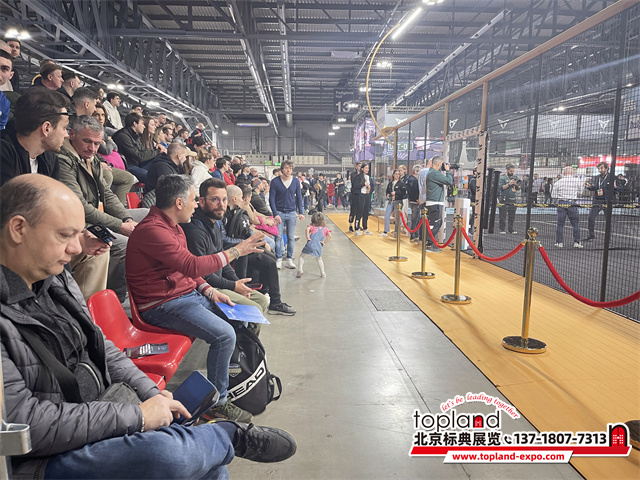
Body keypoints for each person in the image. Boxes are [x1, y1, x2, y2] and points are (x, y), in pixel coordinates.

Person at [0, 174, 297, 479]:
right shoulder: (153, 231)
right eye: (65, 235)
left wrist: (151, 394)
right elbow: (28, 424)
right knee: (170, 454)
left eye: (79, 234)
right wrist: (138, 416)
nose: (77, 248)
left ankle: (211, 435)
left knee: (212, 468)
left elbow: (101, 345)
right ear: (18, 229)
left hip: (102, 409)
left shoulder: (56, 279)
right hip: (49, 453)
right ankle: (225, 433)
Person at [126, 174, 267, 422]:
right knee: (225, 335)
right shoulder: (152, 231)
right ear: (179, 203)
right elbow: (192, 265)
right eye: (193, 200)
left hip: (185, 296)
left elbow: (187, 272)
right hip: (163, 305)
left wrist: (209, 291)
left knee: (242, 318)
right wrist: (236, 251)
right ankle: (217, 404)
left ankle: (228, 380)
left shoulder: (173, 228)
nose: (195, 205)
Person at [57, 115, 148, 301]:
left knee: (147, 216)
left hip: (97, 214)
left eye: (97, 143)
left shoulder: (91, 159)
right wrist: (120, 226)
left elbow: (107, 194)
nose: (92, 148)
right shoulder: (63, 159)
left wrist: (127, 219)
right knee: (123, 244)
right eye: (87, 141)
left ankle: (134, 290)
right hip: (80, 221)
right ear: (71, 134)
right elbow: (80, 207)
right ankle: (112, 300)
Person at [182, 178, 270, 317]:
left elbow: (222, 260)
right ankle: (243, 331)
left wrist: (237, 282)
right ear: (202, 202)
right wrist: (233, 286)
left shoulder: (216, 222)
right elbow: (203, 274)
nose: (221, 205)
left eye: (224, 200)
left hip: (220, 282)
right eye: (215, 200)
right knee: (255, 308)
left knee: (262, 300)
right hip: (208, 287)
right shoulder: (195, 231)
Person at [0, 87, 69, 186]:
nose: (66, 135)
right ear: (46, 128)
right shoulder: (3, 154)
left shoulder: (50, 159)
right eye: (64, 128)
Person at [269, 159, 304, 269]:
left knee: (291, 237)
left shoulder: (295, 181)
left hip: (292, 212)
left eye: (290, 168)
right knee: (278, 237)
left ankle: (289, 259)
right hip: (279, 212)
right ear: (282, 169)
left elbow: (299, 197)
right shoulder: (275, 182)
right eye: (286, 168)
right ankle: (279, 259)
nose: (288, 170)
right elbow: (271, 199)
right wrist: (275, 213)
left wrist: (301, 212)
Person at [112, 112, 158, 182]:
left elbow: (143, 151)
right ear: (135, 124)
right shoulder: (123, 136)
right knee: (150, 177)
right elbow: (139, 156)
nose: (144, 126)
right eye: (142, 124)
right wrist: (157, 151)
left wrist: (157, 151)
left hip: (137, 164)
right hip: (128, 166)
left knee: (158, 161)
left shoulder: (136, 136)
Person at [584, 161, 620, 240]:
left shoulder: (612, 177)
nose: (600, 170)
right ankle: (591, 235)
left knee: (608, 220)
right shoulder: (597, 177)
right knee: (591, 218)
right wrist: (590, 187)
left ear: (606, 168)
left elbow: (621, 188)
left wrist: (615, 187)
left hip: (607, 201)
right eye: (598, 168)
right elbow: (597, 188)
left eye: (601, 168)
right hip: (597, 200)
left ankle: (608, 238)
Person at [425, 156, 453, 252]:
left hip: (433, 202)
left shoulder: (431, 173)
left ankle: (430, 243)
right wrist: (448, 171)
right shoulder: (434, 174)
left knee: (434, 223)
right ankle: (430, 245)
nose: (442, 166)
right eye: (441, 164)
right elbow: (449, 181)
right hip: (435, 202)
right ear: (438, 164)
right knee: (435, 223)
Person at [553, 166, 584, 249]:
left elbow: (553, 195)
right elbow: (580, 192)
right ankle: (577, 242)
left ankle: (559, 242)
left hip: (562, 203)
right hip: (572, 203)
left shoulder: (558, 182)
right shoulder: (577, 180)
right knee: (575, 224)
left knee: (560, 224)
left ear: (563, 173)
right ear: (572, 172)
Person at [296, 212, 331, 278]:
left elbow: (307, 229)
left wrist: (308, 237)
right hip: (318, 246)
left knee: (302, 256)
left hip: (310, 244)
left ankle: (300, 270)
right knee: (319, 259)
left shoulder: (312, 227)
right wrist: (324, 242)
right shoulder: (325, 229)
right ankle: (323, 273)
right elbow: (329, 235)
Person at [379, 169, 405, 237]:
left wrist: (396, 193)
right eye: (396, 174)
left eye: (398, 174)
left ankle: (397, 231)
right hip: (391, 200)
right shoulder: (390, 183)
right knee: (387, 216)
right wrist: (388, 194)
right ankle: (385, 231)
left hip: (398, 201)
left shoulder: (401, 183)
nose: (397, 175)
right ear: (393, 175)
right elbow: (387, 191)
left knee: (397, 217)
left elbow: (403, 192)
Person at [497, 164, 521, 235]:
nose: (512, 172)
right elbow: (501, 187)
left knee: (512, 215)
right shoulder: (502, 178)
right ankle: (502, 229)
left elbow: (519, 187)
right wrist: (509, 184)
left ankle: (511, 229)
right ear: (507, 170)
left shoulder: (515, 177)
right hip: (504, 198)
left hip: (513, 198)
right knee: (503, 215)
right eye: (510, 171)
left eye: (513, 171)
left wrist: (515, 184)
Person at [355, 164, 372, 235]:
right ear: (362, 169)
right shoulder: (358, 177)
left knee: (366, 212)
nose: (367, 169)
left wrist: (369, 187)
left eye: (368, 168)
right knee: (360, 212)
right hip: (360, 195)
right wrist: (364, 184)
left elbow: (371, 186)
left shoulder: (368, 177)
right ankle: (356, 229)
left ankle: (365, 228)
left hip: (367, 195)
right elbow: (356, 186)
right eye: (365, 168)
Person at [406, 165, 422, 242]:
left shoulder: (409, 179)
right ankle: (413, 235)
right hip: (415, 201)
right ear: (416, 171)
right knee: (415, 219)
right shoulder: (414, 181)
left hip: (411, 200)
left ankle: (415, 234)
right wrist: (417, 199)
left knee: (415, 218)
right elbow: (414, 191)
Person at [348, 162, 364, 233]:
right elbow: (355, 184)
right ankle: (350, 224)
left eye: (361, 166)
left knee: (359, 211)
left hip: (360, 195)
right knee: (353, 211)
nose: (360, 167)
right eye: (359, 166)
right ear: (356, 166)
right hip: (354, 194)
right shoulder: (353, 174)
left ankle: (357, 225)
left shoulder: (363, 175)